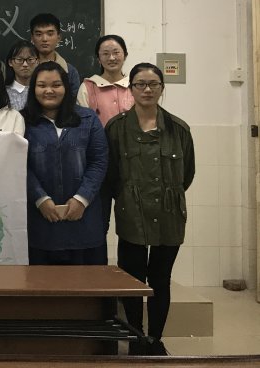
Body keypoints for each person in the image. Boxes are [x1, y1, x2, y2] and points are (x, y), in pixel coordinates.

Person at [105, 63, 195, 356]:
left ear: (162, 88)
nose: (147, 89)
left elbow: (187, 175)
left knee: (160, 280)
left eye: (153, 84)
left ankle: (155, 339)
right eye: (140, 84)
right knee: (133, 281)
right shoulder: (117, 128)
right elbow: (111, 175)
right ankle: (135, 337)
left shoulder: (179, 129)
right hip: (131, 215)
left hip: (169, 216)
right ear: (130, 89)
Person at [21, 61, 108, 266]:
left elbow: (99, 161)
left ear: (66, 87)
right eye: (42, 85)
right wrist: (40, 198)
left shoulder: (88, 119)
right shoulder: (22, 121)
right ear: (33, 89)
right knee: (40, 283)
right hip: (39, 222)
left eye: (56, 85)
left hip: (83, 221)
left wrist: (82, 199)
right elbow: (19, 165)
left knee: (87, 282)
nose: (49, 90)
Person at [78, 34, 134, 126]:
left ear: (125, 56)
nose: (111, 58)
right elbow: (83, 124)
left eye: (116, 52)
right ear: (98, 59)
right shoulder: (87, 87)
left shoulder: (135, 85)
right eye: (105, 54)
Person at [29, 12, 81, 99]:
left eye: (50, 34)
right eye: (39, 34)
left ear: (59, 37)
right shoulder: (24, 68)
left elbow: (72, 103)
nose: (44, 39)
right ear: (32, 38)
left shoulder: (70, 72)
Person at [5, 40, 38, 111]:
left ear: (37, 62)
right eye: (19, 59)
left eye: (30, 59)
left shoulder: (41, 91)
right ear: (10, 62)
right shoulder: (3, 92)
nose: (25, 64)